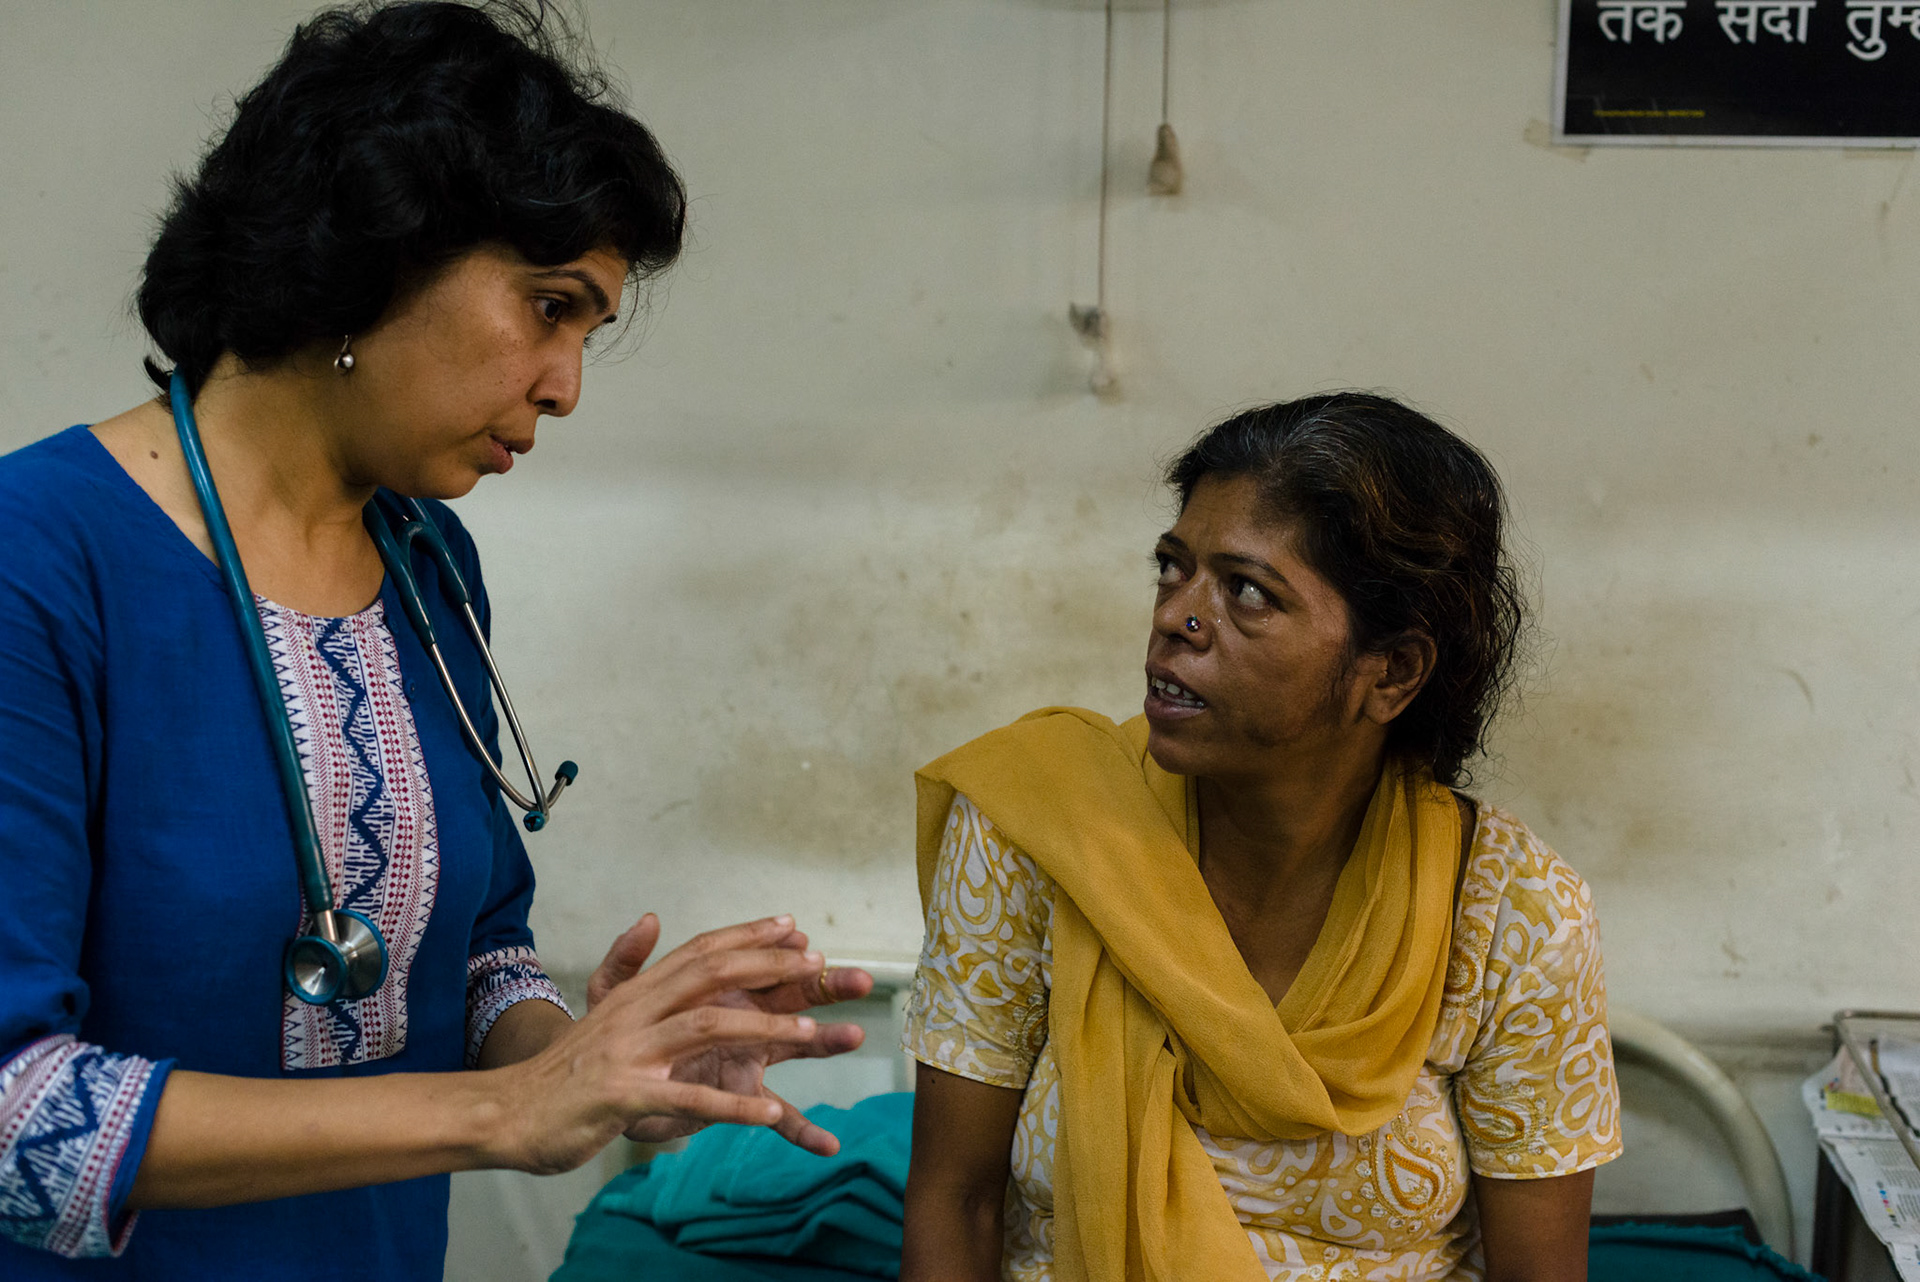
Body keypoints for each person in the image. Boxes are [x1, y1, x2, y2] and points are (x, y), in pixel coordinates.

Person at [0, 4, 871, 1278]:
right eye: (550, 307)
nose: (568, 384)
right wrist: (500, 1114)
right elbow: (18, 1114)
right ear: (375, 255)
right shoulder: (40, 557)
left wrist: (589, 1057)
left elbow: (477, 957)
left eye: (589, 330)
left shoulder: (425, 559)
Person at [898, 394, 1621, 1282]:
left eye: (1247, 592)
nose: (1176, 619)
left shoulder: (1515, 915)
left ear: (1391, 671)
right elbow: (954, 1199)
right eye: (1173, 569)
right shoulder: (1040, 833)